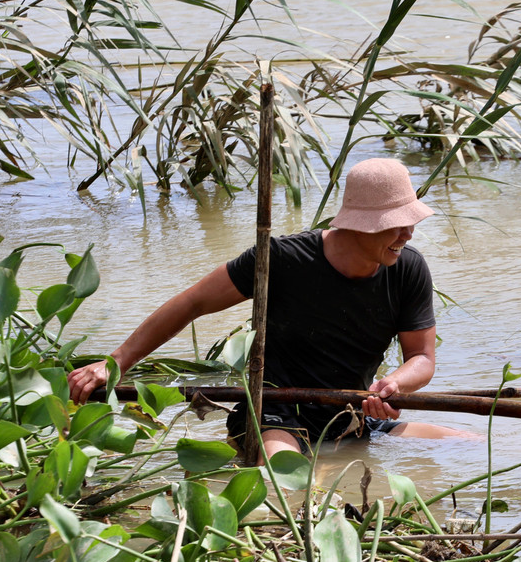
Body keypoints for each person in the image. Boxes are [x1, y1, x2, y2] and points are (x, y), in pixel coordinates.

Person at [67, 157, 471, 462]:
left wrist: (395, 384)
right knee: (288, 481)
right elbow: (191, 303)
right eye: (397, 224)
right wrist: (114, 364)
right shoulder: (280, 259)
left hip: (351, 414)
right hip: (276, 412)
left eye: (410, 221)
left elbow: (421, 357)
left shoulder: (408, 268)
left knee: (469, 446)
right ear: (361, 223)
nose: (409, 233)